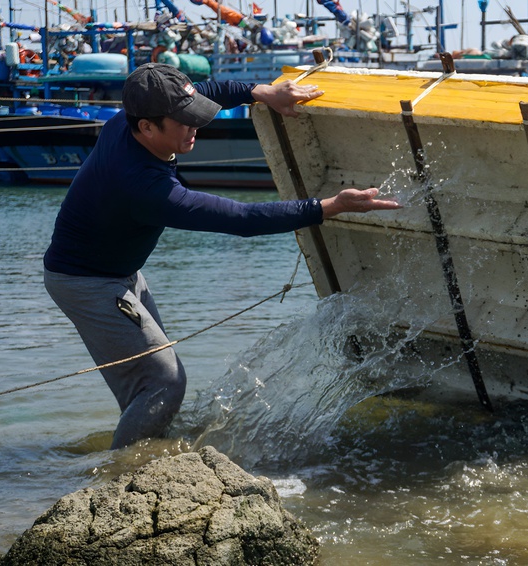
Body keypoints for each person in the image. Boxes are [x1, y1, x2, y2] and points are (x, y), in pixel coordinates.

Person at [43, 63, 401, 450]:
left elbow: (212, 87)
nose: (194, 126)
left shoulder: (130, 119)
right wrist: (331, 205)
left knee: (150, 387)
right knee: (164, 383)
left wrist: (264, 93)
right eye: (183, 121)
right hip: (86, 283)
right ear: (147, 127)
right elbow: (242, 219)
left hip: (121, 271)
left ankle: (142, 455)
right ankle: (122, 476)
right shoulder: (142, 185)